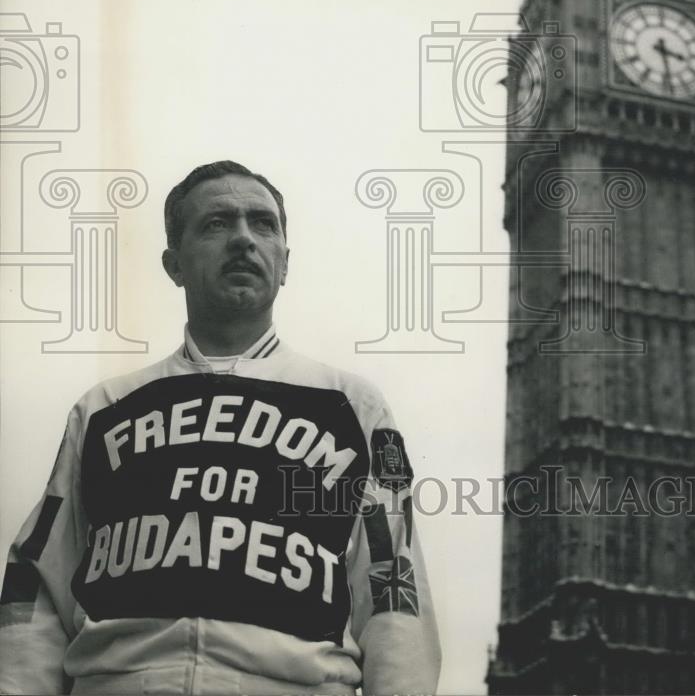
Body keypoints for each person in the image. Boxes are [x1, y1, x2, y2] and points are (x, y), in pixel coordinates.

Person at [0, 161, 441, 696]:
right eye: (216, 224)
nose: (242, 239)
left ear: (284, 263)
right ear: (174, 264)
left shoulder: (351, 405)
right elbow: (36, 589)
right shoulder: (104, 408)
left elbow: (394, 594)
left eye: (263, 224)